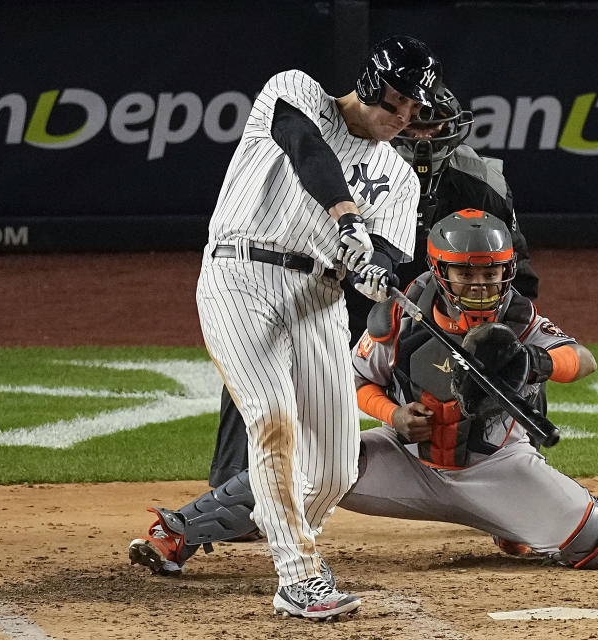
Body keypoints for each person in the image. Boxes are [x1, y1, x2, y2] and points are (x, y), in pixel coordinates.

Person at [128, 211, 598, 585]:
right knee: (310, 459)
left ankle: (509, 521)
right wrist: (392, 413)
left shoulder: (520, 321)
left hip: (498, 469)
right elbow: (353, 380)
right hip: (407, 463)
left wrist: (535, 362)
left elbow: (581, 358)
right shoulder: (400, 318)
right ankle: (178, 532)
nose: (481, 284)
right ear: (441, 272)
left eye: (491, 273)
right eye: (468, 273)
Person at [181, 35, 446, 620]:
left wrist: (375, 272)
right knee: (272, 421)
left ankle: (212, 526)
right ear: (373, 83)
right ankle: (299, 574)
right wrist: (347, 220)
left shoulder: (400, 179)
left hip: (319, 298)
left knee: (334, 468)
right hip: (240, 276)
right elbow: (307, 152)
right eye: (395, 103)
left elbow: (386, 255)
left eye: (412, 111)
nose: (401, 119)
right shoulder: (295, 90)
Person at [204, 86, 540, 489]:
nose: (422, 138)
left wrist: (499, 336)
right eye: (413, 125)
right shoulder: (347, 169)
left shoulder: (481, 182)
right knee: (265, 344)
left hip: (436, 310)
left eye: (432, 127)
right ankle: (234, 482)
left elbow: (517, 274)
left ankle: (520, 472)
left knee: (509, 353)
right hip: (346, 291)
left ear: (452, 129)